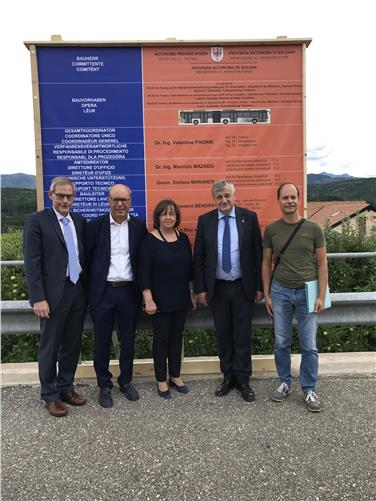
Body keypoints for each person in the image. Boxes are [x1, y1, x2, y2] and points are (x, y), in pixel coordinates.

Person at [193, 180, 263, 402]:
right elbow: (199, 258)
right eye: (219, 197)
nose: (224, 200)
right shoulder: (205, 221)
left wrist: (260, 286)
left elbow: (258, 255)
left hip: (243, 287)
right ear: (214, 199)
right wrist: (201, 288)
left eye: (227, 196)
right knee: (223, 334)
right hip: (218, 288)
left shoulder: (248, 217)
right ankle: (227, 376)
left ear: (234, 196)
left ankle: (243, 379)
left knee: (242, 335)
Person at [23, 176, 88, 417]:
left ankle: (65, 388)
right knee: (50, 347)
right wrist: (37, 297)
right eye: (60, 195)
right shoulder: (37, 221)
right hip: (51, 296)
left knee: (72, 345)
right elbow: (32, 263)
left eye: (69, 196)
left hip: (77, 291)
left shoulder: (79, 221)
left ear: (74, 198)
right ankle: (49, 395)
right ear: (51, 195)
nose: (65, 200)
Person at [262, 182, 328, 412]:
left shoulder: (314, 228)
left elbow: (322, 263)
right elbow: (266, 263)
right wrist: (268, 293)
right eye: (285, 197)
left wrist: (321, 295)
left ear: (299, 199)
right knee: (281, 342)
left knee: (309, 345)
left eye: (293, 197)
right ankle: (284, 382)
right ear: (278, 201)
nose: (289, 201)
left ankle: (309, 389)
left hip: (307, 291)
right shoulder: (272, 230)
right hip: (280, 291)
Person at [86, 184, 147, 408]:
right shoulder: (95, 226)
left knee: (128, 340)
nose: (120, 204)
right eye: (115, 199)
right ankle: (104, 385)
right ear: (108, 201)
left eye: (124, 200)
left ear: (130, 202)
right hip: (103, 292)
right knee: (101, 341)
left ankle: (126, 381)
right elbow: (87, 261)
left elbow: (143, 261)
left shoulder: (139, 227)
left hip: (129, 292)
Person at [138, 200, 196, 399]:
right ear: (158, 218)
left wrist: (191, 294)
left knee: (177, 338)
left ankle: (176, 377)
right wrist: (148, 299)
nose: (168, 217)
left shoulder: (183, 238)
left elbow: (189, 271)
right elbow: (143, 273)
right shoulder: (149, 241)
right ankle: (161, 380)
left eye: (172, 213)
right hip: (159, 301)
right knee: (161, 340)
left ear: (177, 217)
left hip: (180, 297)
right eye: (164, 214)